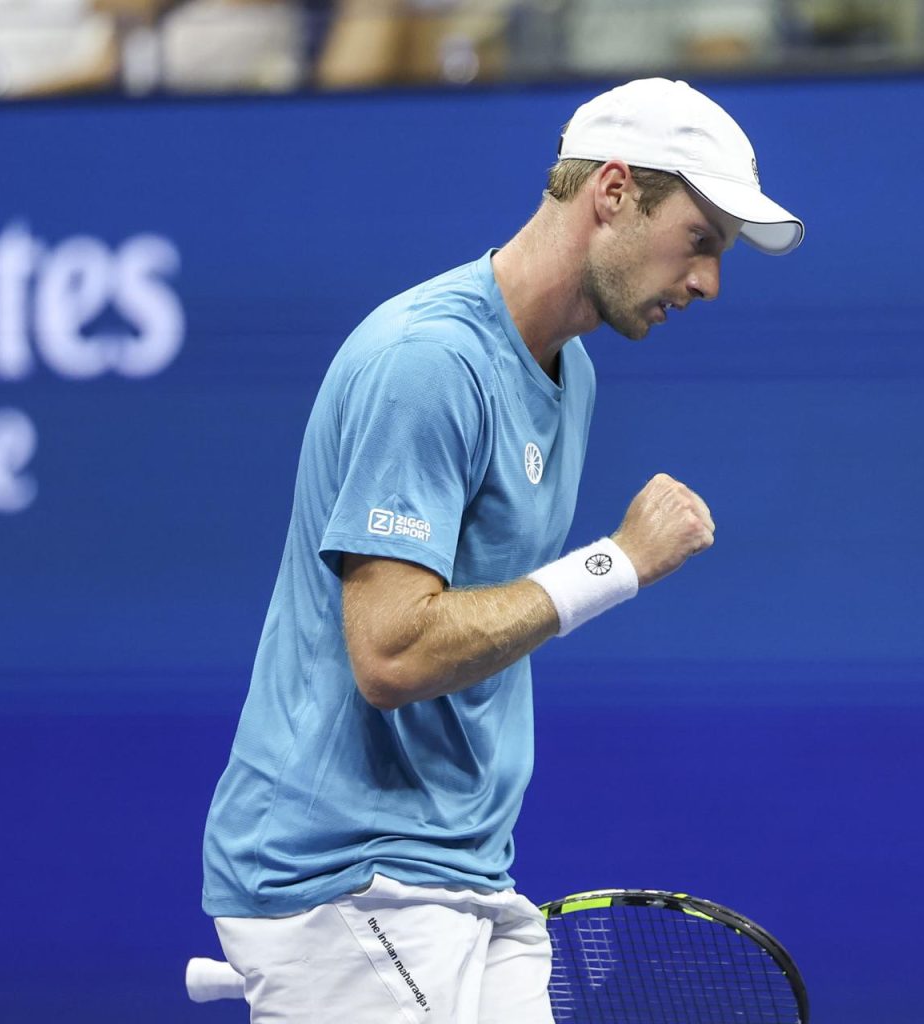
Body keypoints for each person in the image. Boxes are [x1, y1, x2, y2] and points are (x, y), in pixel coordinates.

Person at [201, 77, 804, 1024]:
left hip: (468, 872)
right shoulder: (429, 363)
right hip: (348, 876)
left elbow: (478, 626)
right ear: (613, 194)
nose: (708, 284)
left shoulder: (576, 378)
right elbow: (391, 653)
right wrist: (617, 564)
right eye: (700, 241)